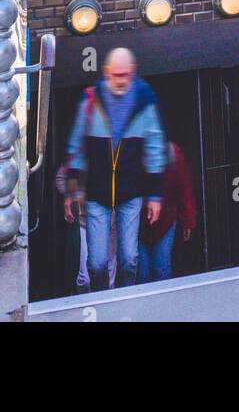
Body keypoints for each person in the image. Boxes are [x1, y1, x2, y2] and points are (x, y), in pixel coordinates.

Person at [64, 47, 166, 290]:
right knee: (97, 262)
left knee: (129, 258)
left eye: (125, 75)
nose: (120, 80)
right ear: (107, 72)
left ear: (131, 73)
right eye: (115, 75)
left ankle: (124, 299)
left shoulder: (144, 103)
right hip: (97, 194)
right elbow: (76, 147)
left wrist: (154, 194)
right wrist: (71, 190)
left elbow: (154, 149)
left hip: (130, 194)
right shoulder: (90, 101)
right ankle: (103, 299)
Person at [138, 140, 196, 283]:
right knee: (142, 273)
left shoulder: (172, 153)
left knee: (161, 269)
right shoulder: (132, 152)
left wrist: (187, 221)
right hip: (137, 223)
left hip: (165, 220)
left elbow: (184, 188)